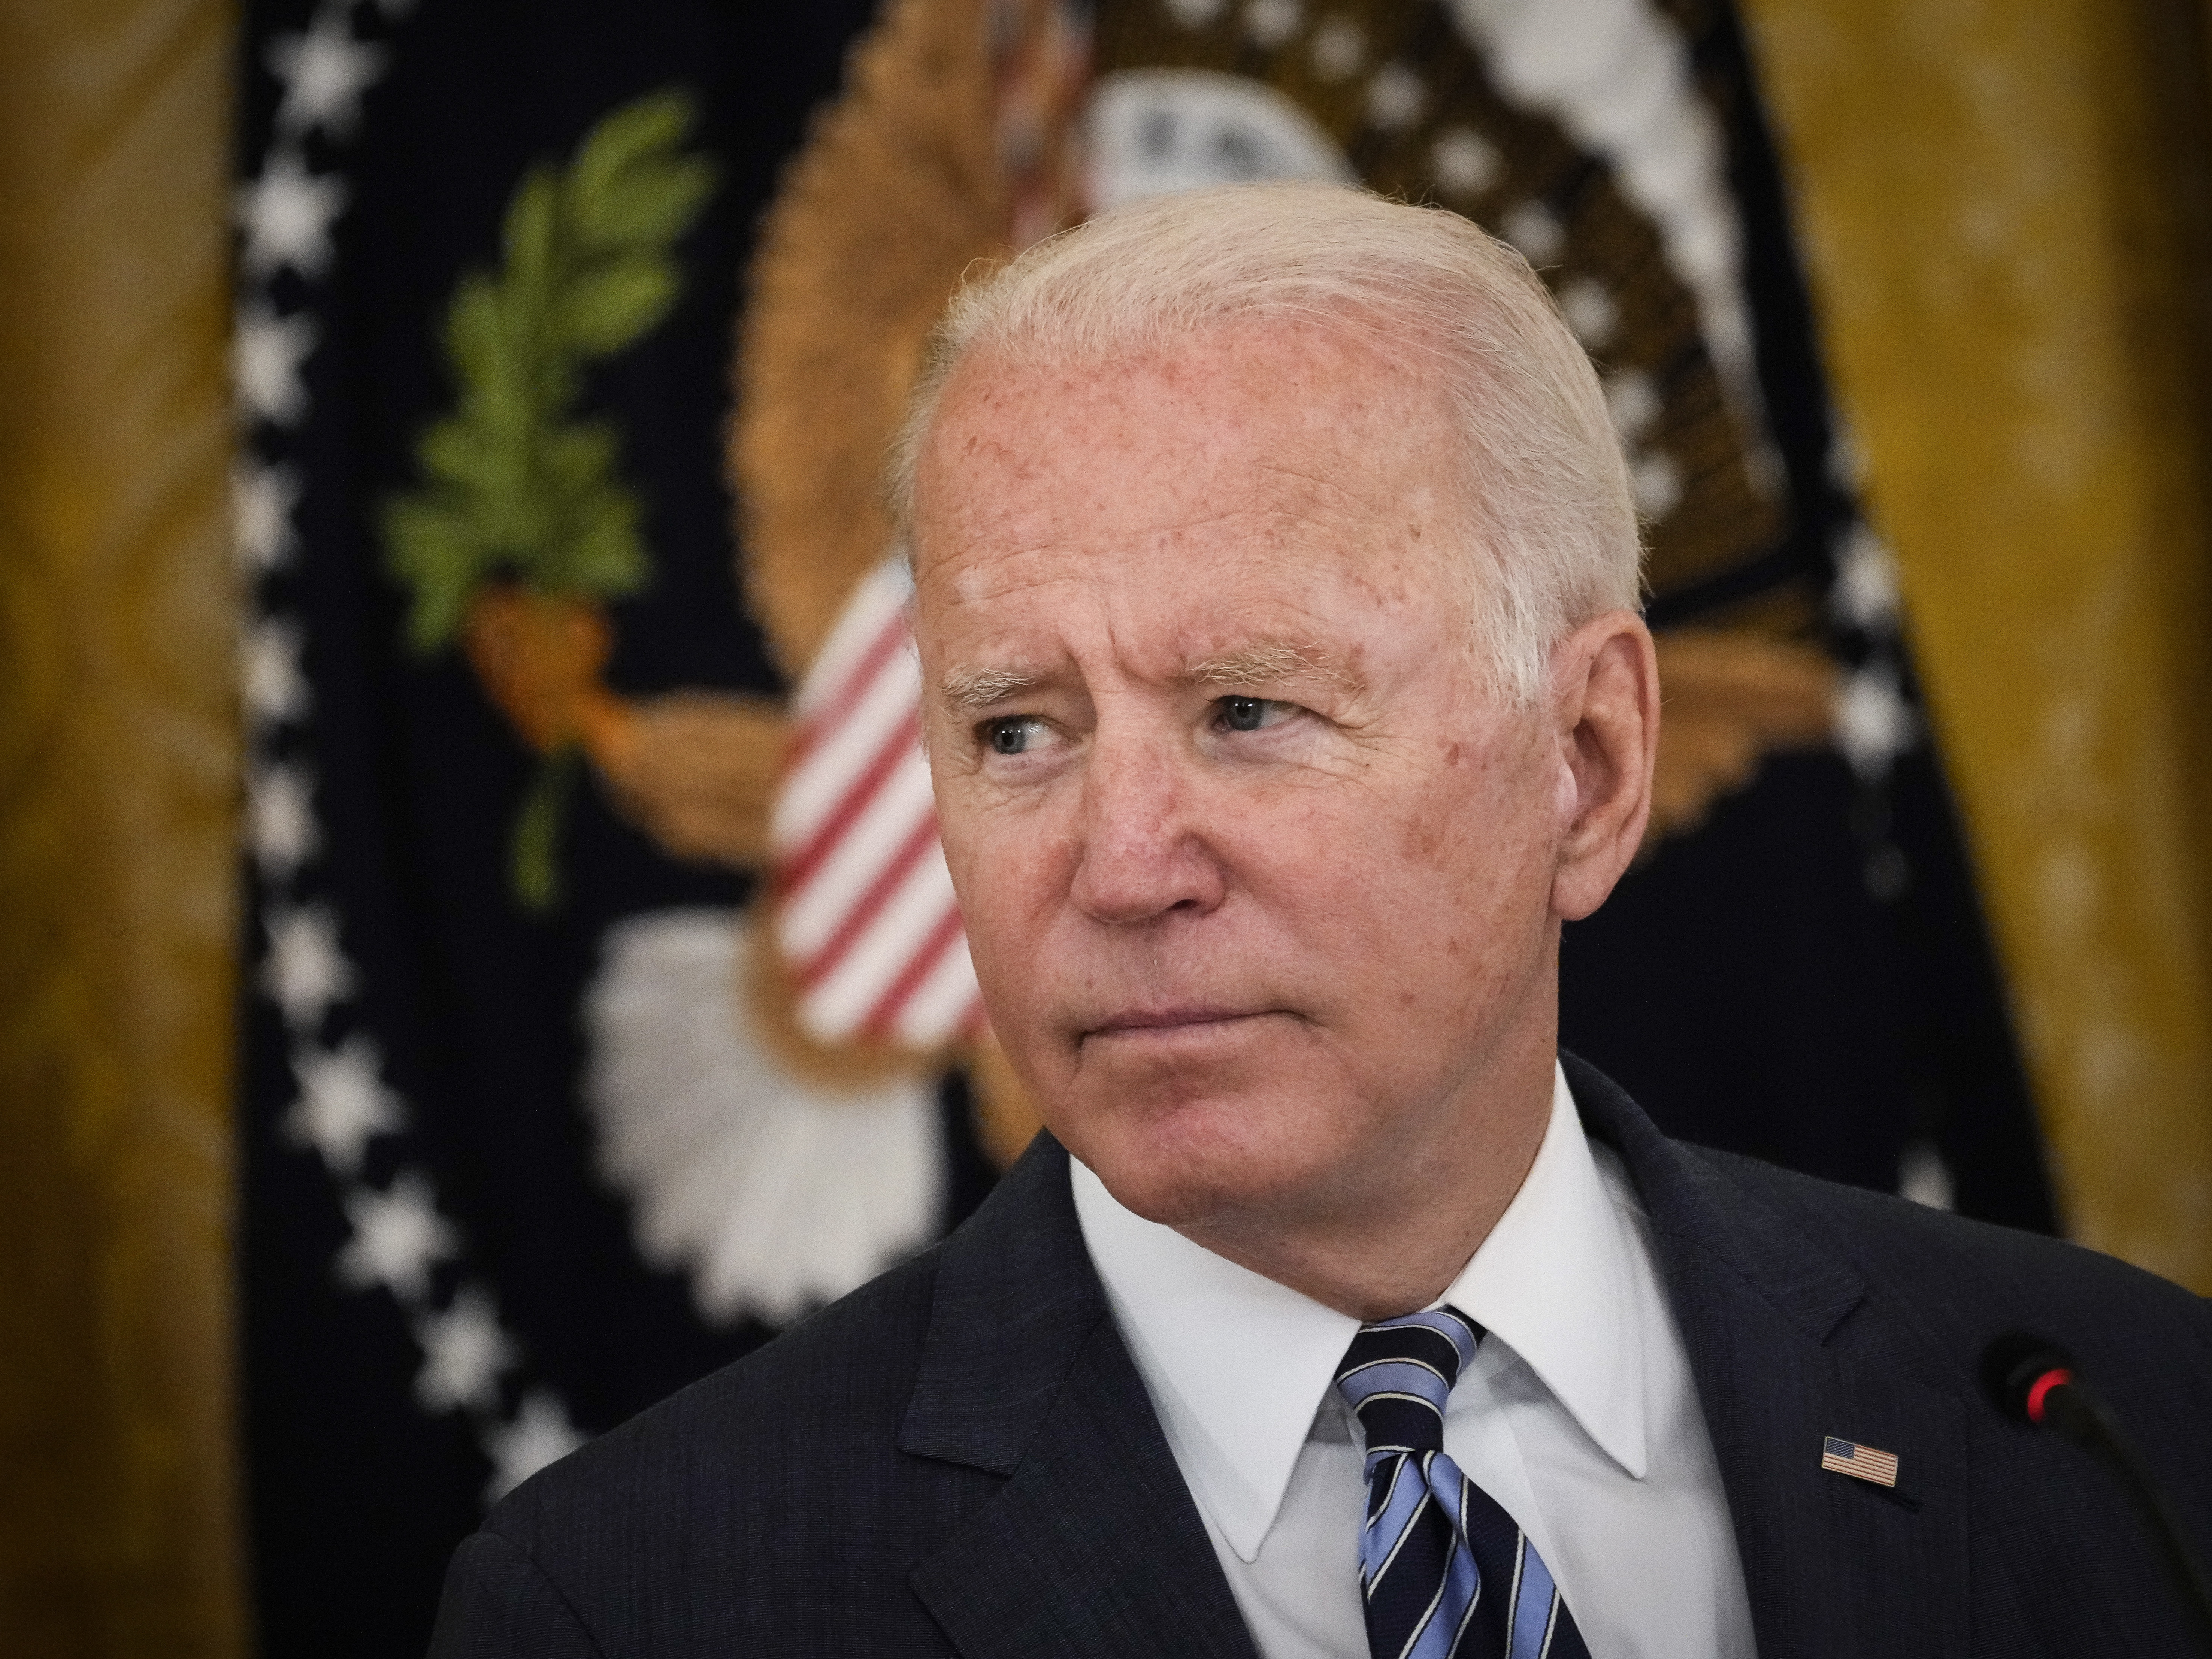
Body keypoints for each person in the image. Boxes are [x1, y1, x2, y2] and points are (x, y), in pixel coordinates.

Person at [428, 182, 2212, 1659]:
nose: (1122, 865)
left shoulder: (2127, 1435)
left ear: (1585, 766)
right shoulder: (630, 1606)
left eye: (1249, 711)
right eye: (1017, 732)